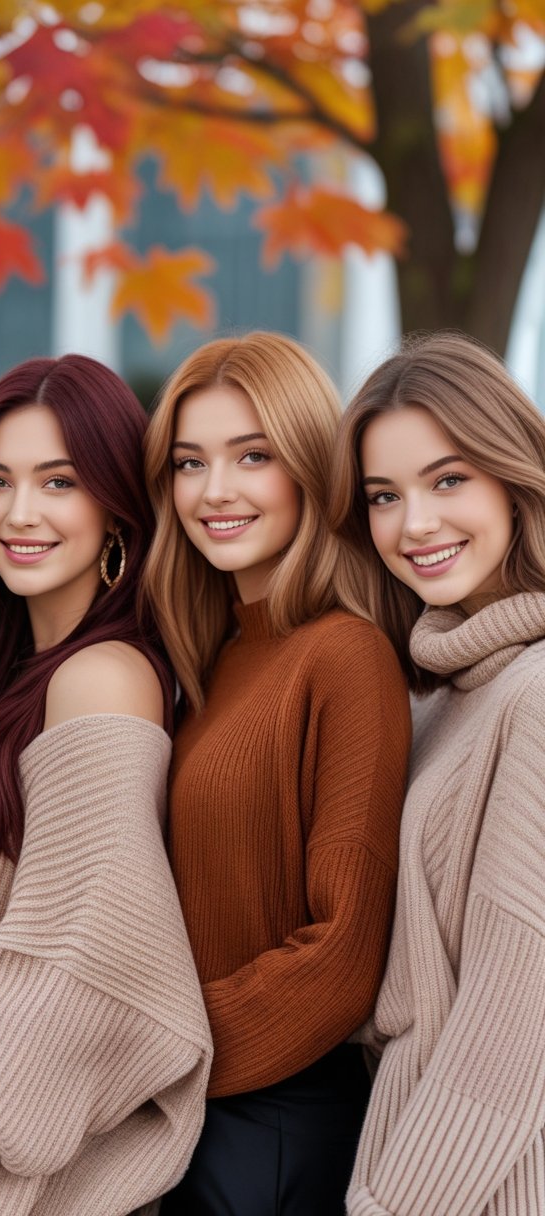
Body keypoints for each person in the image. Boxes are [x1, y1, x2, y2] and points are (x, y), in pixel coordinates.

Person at [0, 354, 212, 1216]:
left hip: (13, 1176)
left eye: (58, 481)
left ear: (115, 508)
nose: (19, 513)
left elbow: (86, 970)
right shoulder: (18, 676)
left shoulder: (101, 678)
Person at [142, 332, 411, 1215]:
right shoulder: (212, 662)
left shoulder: (345, 655)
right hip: (193, 1112)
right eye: (190, 462)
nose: (214, 491)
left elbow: (341, 954)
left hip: (274, 1124)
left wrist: (151, 1050)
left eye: (251, 456)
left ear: (308, 468)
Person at [330, 331, 545, 1216]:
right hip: (403, 1141)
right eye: (385, 496)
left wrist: (394, 1204)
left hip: (476, 1180)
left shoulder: (533, 697)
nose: (415, 525)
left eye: (448, 480)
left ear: (516, 475)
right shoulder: (440, 689)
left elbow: (516, 1018)